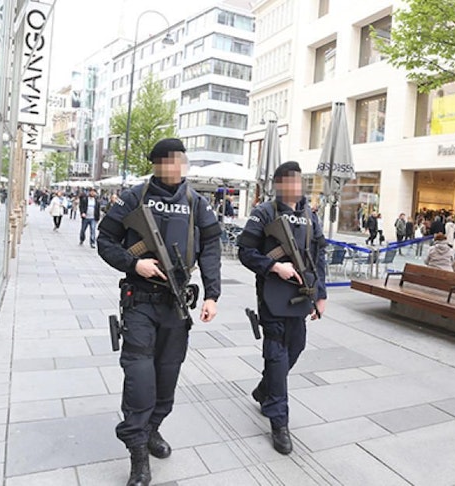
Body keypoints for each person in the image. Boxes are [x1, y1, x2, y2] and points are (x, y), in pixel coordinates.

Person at [96, 138, 222, 486]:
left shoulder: (197, 203)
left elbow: (211, 245)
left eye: (181, 160)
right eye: (168, 161)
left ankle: (153, 429)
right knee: (139, 377)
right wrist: (135, 263)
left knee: (167, 377)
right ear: (155, 164)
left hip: (177, 303)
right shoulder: (134, 197)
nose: (176, 167)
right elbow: (105, 240)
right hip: (140, 301)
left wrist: (213, 294)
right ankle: (137, 452)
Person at [238, 161, 327, 456]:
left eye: (299, 181)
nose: (295, 186)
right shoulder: (264, 213)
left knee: (296, 347)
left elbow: (319, 255)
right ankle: (279, 421)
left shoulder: (310, 215)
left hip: (302, 295)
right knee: (276, 355)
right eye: (289, 181)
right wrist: (274, 266)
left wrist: (321, 294)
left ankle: (265, 390)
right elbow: (245, 251)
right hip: (273, 295)